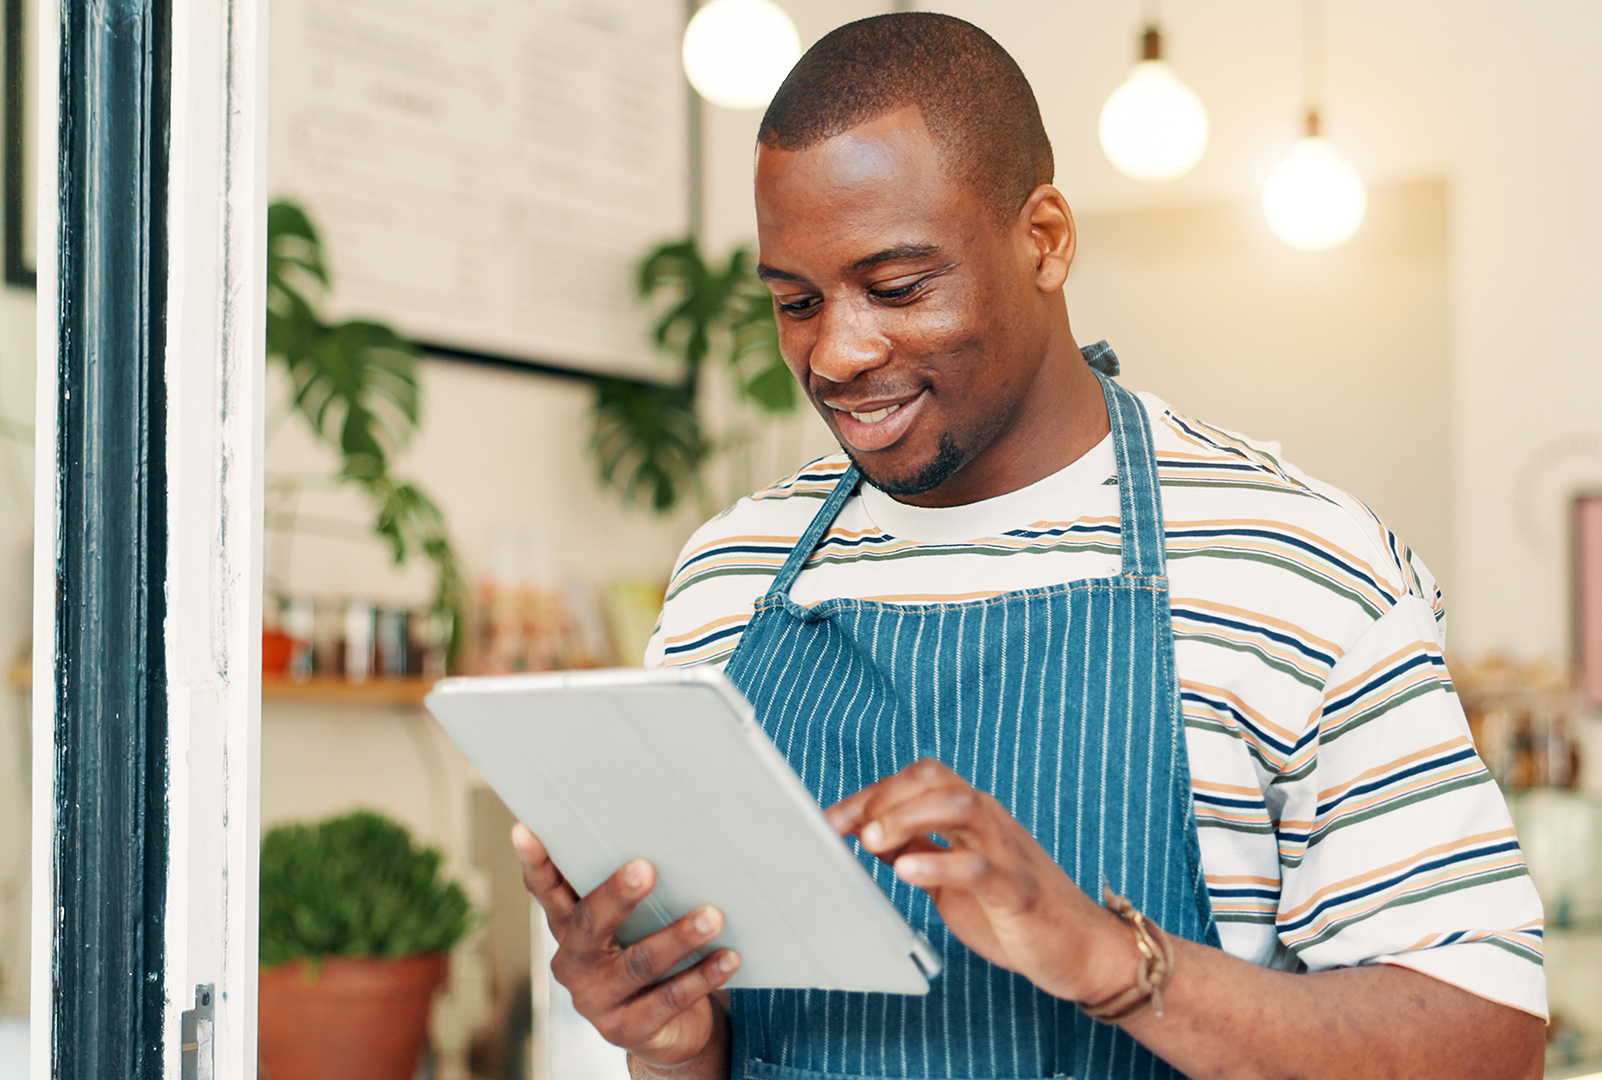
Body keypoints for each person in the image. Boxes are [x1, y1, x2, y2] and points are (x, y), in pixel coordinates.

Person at [511, 13, 1546, 1079]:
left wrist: (1109, 959)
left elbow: (1485, 1039)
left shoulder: (1296, 564)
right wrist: (672, 1038)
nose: (838, 352)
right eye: (796, 302)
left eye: (900, 287)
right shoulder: (729, 578)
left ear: (1045, 237)